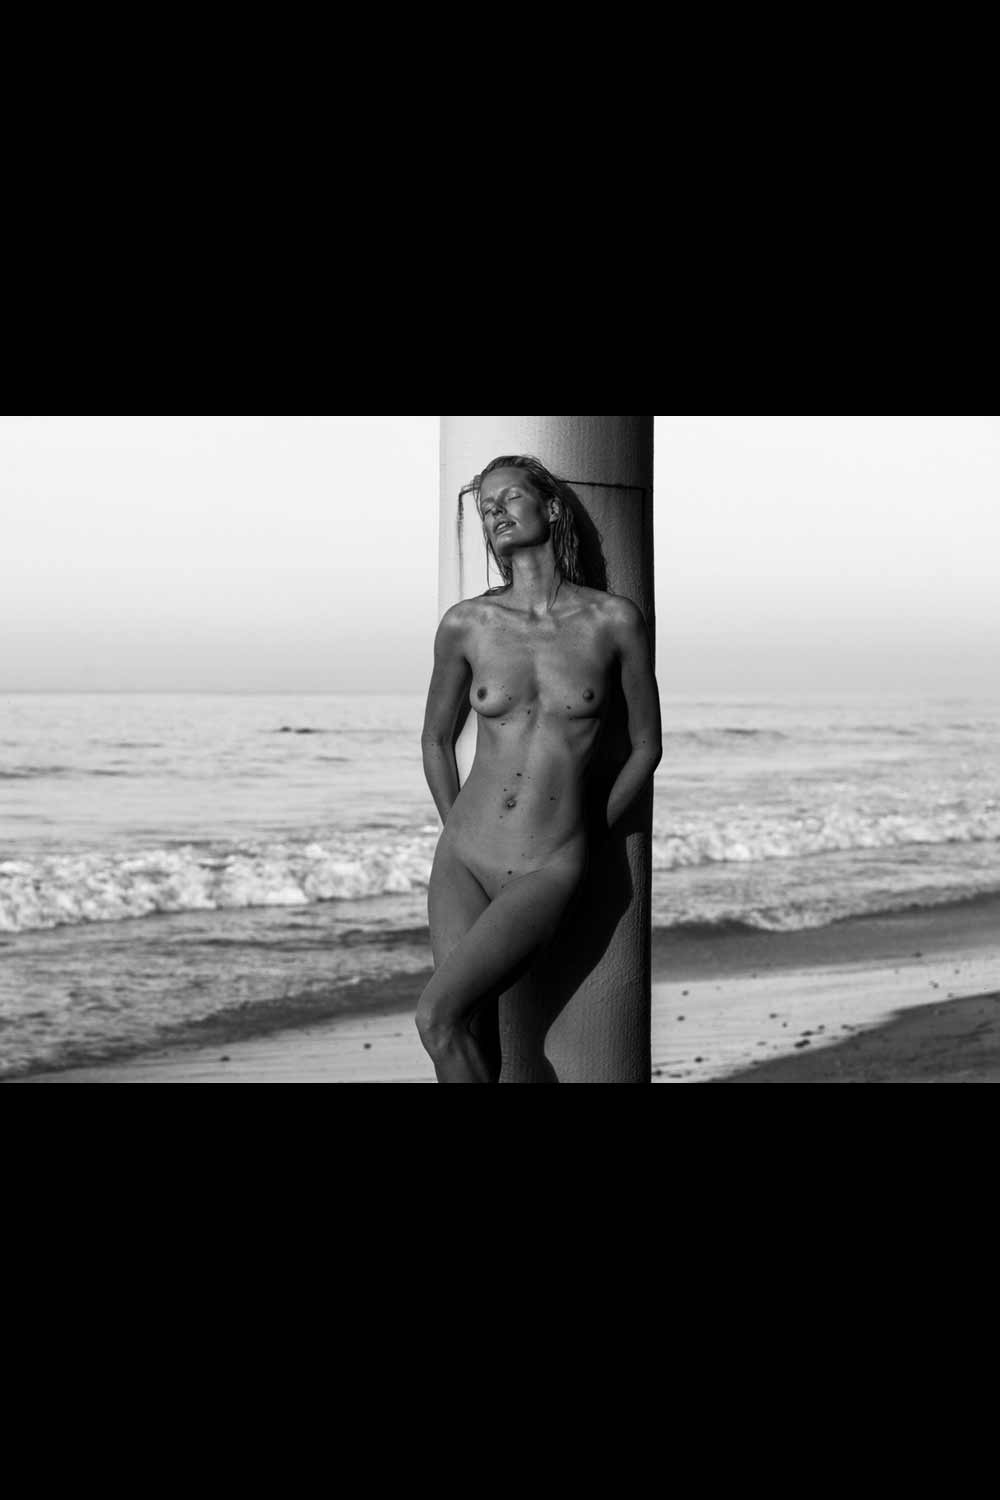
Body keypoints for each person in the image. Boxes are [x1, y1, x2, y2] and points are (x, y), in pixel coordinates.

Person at [416, 455, 662, 1083]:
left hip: (547, 864)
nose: (494, 512)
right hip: (464, 859)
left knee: (436, 1017)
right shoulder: (467, 624)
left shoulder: (613, 621)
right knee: (465, 1029)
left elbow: (646, 746)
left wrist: (587, 834)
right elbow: (436, 739)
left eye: (509, 498)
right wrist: (455, 828)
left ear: (551, 507)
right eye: (486, 507)